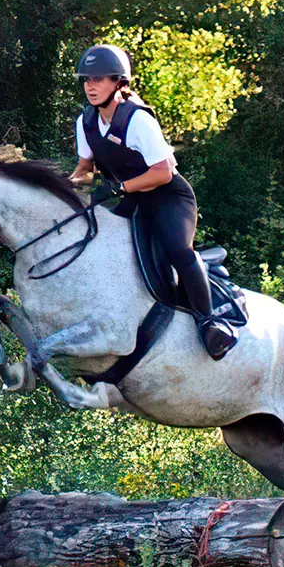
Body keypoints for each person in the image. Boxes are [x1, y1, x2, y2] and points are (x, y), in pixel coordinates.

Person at [67, 44, 237, 360]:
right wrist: (67, 189)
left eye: (99, 79)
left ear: (118, 82)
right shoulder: (85, 123)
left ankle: (210, 322)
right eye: (86, 80)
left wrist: (120, 187)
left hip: (169, 198)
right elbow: (84, 170)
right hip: (134, 200)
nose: (91, 86)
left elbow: (162, 172)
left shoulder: (137, 120)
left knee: (177, 250)